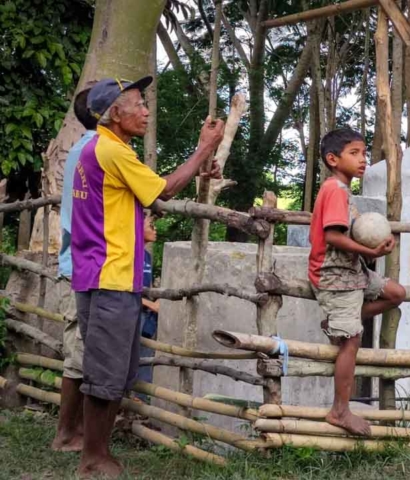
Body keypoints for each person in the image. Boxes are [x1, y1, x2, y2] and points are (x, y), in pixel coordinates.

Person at [71, 76, 224, 478]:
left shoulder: (100, 149)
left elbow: (142, 194)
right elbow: (164, 191)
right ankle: (93, 458)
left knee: (111, 371)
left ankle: (97, 452)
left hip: (103, 275)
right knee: (105, 374)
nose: (145, 111)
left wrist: (199, 167)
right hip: (111, 277)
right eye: (138, 104)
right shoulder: (113, 152)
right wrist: (203, 148)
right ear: (115, 114)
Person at [308, 128, 406, 436]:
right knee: (352, 341)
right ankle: (340, 410)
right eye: (355, 153)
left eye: (364, 153)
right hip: (334, 274)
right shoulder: (334, 190)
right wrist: (371, 251)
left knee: (395, 293)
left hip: (354, 271)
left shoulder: (344, 190)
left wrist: (371, 253)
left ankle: (343, 320)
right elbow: (333, 236)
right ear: (332, 159)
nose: (363, 160)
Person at [51, 85, 97, 452]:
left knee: (84, 351)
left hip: (80, 264)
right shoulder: (93, 151)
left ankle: (75, 431)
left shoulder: (83, 148)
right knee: (79, 354)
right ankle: (67, 432)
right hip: (80, 267)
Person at [136, 214, 160, 398]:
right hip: (130, 311)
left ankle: (140, 399)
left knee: (145, 354)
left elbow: (146, 287)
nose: (155, 229)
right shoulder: (130, 253)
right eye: (151, 226)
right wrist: (150, 304)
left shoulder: (147, 256)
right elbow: (125, 287)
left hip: (144, 313)